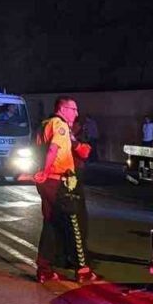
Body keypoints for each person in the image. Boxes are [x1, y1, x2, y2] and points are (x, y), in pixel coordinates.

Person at [32, 96, 95, 284]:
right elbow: (53, 149)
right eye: (73, 109)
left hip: (47, 182)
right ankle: (82, 270)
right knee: (74, 222)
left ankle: (44, 268)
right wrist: (46, 170)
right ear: (62, 109)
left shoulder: (44, 124)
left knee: (51, 223)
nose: (76, 113)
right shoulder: (60, 125)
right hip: (58, 180)